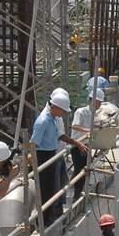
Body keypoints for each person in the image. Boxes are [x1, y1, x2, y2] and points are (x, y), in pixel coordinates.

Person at [32, 88, 86, 226]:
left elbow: (59, 135)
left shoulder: (53, 118)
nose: (63, 113)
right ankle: (44, 222)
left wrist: (76, 143)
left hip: (52, 154)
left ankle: (52, 216)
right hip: (43, 157)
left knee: (53, 188)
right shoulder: (42, 121)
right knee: (46, 190)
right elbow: (32, 144)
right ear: (55, 107)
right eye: (62, 110)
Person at [69, 87, 105, 199]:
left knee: (85, 169)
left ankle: (79, 191)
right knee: (79, 169)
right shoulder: (81, 112)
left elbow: (89, 125)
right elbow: (75, 126)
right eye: (98, 102)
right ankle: (76, 194)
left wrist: (97, 127)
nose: (99, 105)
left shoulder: (93, 113)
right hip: (78, 145)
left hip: (86, 145)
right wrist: (88, 131)